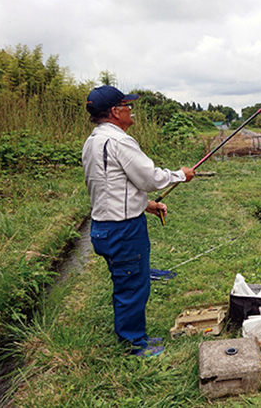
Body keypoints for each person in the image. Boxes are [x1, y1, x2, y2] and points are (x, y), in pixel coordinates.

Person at [82, 85, 194, 357]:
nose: (131, 111)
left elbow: (111, 187)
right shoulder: (120, 141)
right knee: (132, 287)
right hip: (123, 231)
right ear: (114, 111)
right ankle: (134, 345)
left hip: (103, 228)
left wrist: (147, 205)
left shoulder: (92, 142)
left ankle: (134, 337)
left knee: (127, 282)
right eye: (127, 106)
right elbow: (150, 179)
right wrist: (180, 174)